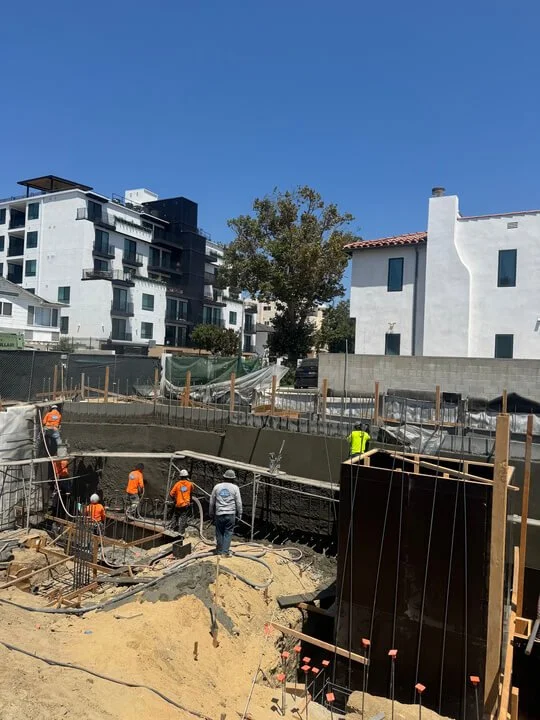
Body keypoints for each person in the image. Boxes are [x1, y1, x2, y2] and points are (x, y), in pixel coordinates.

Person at [209, 469, 242, 556]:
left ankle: (219, 550)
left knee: (219, 532)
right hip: (230, 514)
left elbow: (212, 501)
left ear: (224, 477)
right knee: (228, 532)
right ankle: (224, 552)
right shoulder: (235, 488)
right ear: (233, 479)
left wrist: (211, 512)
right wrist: (240, 513)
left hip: (219, 513)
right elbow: (238, 502)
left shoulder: (217, 487)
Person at [168, 469, 193, 536]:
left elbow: (171, 493)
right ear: (187, 476)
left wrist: (175, 500)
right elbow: (192, 490)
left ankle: (172, 529)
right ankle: (180, 532)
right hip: (185, 504)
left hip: (178, 504)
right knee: (183, 517)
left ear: (180, 476)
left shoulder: (177, 484)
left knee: (175, 516)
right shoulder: (190, 484)